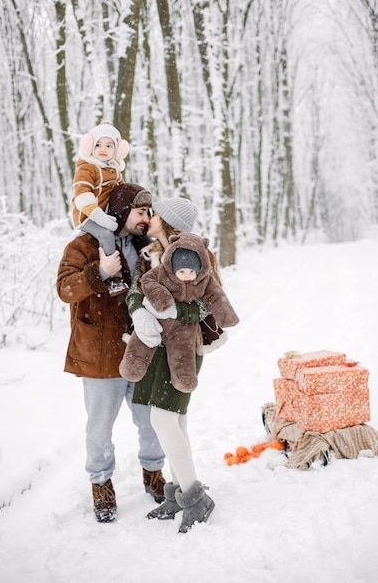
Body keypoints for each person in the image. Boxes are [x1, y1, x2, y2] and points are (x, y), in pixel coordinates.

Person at [121, 198, 240, 533]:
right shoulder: (150, 255)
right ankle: (177, 493)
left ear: (169, 221)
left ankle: (195, 497)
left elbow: (209, 305)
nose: (149, 217)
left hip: (186, 349)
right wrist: (139, 311)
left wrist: (177, 313)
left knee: (162, 419)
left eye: (155, 214)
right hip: (155, 346)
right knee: (176, 422)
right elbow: (135, 291)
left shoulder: (197, 257)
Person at [57, 183, 166, 524]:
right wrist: (100, 272)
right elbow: (65, 288)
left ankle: (154, 474)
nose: (146, 218)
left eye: (148, 212)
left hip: (141, 352)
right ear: (120, 212)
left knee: (151, 421)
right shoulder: (83, 246)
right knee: (100, 429)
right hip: (99, 357)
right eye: (140, 212)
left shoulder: (145, 247)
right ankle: (101, 485)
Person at [119, 232, 239, 393]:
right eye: (182, 272)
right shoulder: (160, 269)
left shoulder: (205, 279)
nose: (187, 277)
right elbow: (147, 281)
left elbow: (216, 296)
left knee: (182, 352)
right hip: (156, 319)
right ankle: (133, 365)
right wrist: (160, 299)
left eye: (192, 272)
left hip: (185, 326)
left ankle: (184, 377)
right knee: (143, 340)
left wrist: (226, 316)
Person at [72, 121, 130, 296]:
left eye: (109, 145)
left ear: (117, 149)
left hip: (107, 215)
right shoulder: (87, 168)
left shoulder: (115, 172)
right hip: (87, 216)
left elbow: (123, 193)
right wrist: (97, 214)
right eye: (98, 144)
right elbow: (82, 193)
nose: (103, 148)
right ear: (90, 146)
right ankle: (115, 278)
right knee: (105, 234)